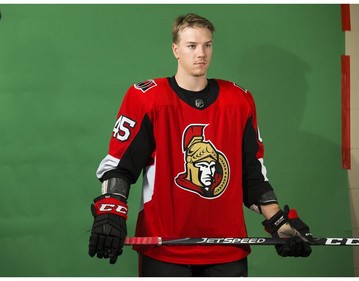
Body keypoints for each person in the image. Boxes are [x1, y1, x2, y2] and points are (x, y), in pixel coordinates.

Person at [88, 13, 313, 277]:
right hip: (164, 247)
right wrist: (112, 207)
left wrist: (278, 222)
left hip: (227, 247)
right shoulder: (147, 99)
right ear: (175, 49)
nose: (201, 53)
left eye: (207, 45)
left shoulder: (239, 102)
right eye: (191, 45)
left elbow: (252, 176)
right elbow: (120, 165)